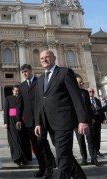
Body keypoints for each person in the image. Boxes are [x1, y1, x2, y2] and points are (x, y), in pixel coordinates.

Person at [34, 50, 88, 179]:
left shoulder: (65, 72)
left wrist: (82, 120)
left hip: (64, 122)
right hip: (49, 123)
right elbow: (39, 103)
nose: (44, 60)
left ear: (54, 58)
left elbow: (76, 98)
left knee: (62, 156)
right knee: (66, 155)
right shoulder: (40, 78)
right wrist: (38, 122)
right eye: (41, 58)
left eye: (47, 57)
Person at [19, 64, 56, 177]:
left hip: (41, 119)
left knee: (43, 144)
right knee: (35, 146)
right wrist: (18, 119)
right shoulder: (22, 86)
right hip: (29, 121)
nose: (25, 74)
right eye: (23, 72)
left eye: (26, 71)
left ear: (31, 70)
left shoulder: (40, 81)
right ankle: (42, 167)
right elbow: (21, 104)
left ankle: (49, 167)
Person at [74, 77, 100, 166]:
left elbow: (89, 106)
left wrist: (92, 117)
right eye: (80, 82)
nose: (82, 84)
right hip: (77, 122)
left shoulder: (85, 92)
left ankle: (94, 158)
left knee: (90, 139)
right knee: (80, 141)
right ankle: (84, 159)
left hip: (88, 120)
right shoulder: (71, 92)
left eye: (82, 82)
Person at [4, 85, 29, 166]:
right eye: (15, 91)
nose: (17, 92)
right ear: (12, 91)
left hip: (21, 120)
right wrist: (6, 122)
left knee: (22, 139)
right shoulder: (8, 98)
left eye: (18, 91)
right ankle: (16, 157)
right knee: (14, 139)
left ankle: (23, 157)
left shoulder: (22, 98)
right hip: (11, 121)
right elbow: (6, 111)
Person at [88, 87, 107, 157]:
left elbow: (101, 110)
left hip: (98, 119)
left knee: (98, 136)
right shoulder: (86, 100)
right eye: (89, 91)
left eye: (92, 91)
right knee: (92, 136)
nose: (91, 93)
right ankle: (93, 152)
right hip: (91, 120)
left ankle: (97, 150)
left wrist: (104, 118)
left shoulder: (97, 100)